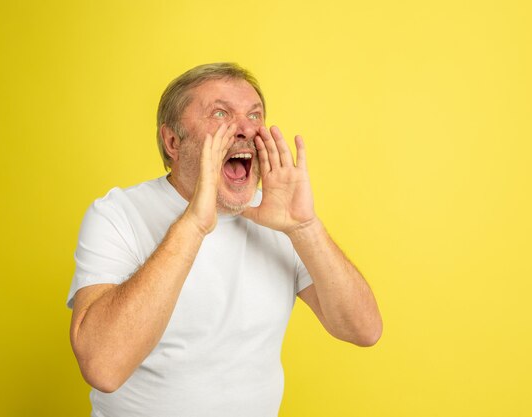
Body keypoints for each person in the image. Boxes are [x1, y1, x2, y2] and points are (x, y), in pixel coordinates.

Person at [67, 62, 382, 417]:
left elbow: (363, 329)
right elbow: (103, 368)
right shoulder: (118, 214)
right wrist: (194, 225)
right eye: (220, 113)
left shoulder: (278, 220)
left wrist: (304, 227)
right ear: (172, 141)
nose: (246, 128)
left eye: (254, 114)